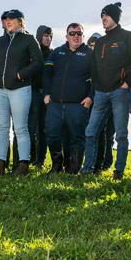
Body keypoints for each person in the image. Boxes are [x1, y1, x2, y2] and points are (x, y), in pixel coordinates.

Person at [81, 3, 131, 179]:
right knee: (90, 132)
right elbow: (94, 68)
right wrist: (96, 88)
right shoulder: (100, 41)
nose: (103, 18)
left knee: (121, 134)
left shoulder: (127, 37)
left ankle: (119, 171)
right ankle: (87, 169)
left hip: (119, 92)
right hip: (100, 94)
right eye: (102, 16)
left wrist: (127, 83)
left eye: (106, 15)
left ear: (115, 17)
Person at [0, 10, 44, 176]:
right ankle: (0, 164)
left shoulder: (29, 39)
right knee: (2, 128)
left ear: (20, 21)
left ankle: (23, 164)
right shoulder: (0, 41)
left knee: (20, 128)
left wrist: (21, 75)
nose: (8, 21)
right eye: (6, 19)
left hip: (20, 90)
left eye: (12, 19)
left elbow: (38, 62)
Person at [43, 23, 93, 173]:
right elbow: (46, 73)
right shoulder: (57, 52)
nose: (75, 36)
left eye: (79, 33)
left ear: (83, 36)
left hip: (78, 105)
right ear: (66, 36)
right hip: (55, 104)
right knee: (51, 134)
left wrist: (90, 97)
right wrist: (46, 93)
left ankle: (73, 169)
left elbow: (97, 78)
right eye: (72, 33)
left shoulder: (90, 54)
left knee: (77, 137)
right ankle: (57, 165)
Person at [30, 25, 53, 168]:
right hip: (33, 93)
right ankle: (30, 158)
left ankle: (40, 160)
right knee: (31, 127)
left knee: (44, 129)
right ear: (39, 36)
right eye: (45, 35)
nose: (48, 38)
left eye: (50, 36)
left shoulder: (53, 54)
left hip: (47, 96)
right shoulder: (33, 52)